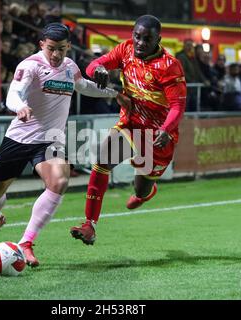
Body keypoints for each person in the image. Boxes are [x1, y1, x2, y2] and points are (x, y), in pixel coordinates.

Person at [0, 23, 130, 267]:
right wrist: (20, 107)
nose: (56, 55)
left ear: (68, 46)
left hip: (50, 140)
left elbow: (84, 86)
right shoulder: (30, 66)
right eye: (51, 49)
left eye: (61, 49)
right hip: (19, 138)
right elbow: (13, 94)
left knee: (59, 180)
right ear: (41, 45)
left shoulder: (70, 67)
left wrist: (114, 94)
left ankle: (26, 242)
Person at [69, 15, 187, 245]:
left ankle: (145, 193)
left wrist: (166, 128)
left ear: (158, 40)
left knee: (140, 189)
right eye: (137, 36)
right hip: (131, 124)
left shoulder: (170, 66)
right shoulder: (125, 50)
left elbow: (178, 105)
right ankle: (89, 225)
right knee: (103, 160)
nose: (140, 42)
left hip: (157, 136)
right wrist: (98, 70)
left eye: (147, 39)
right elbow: (93, 65)